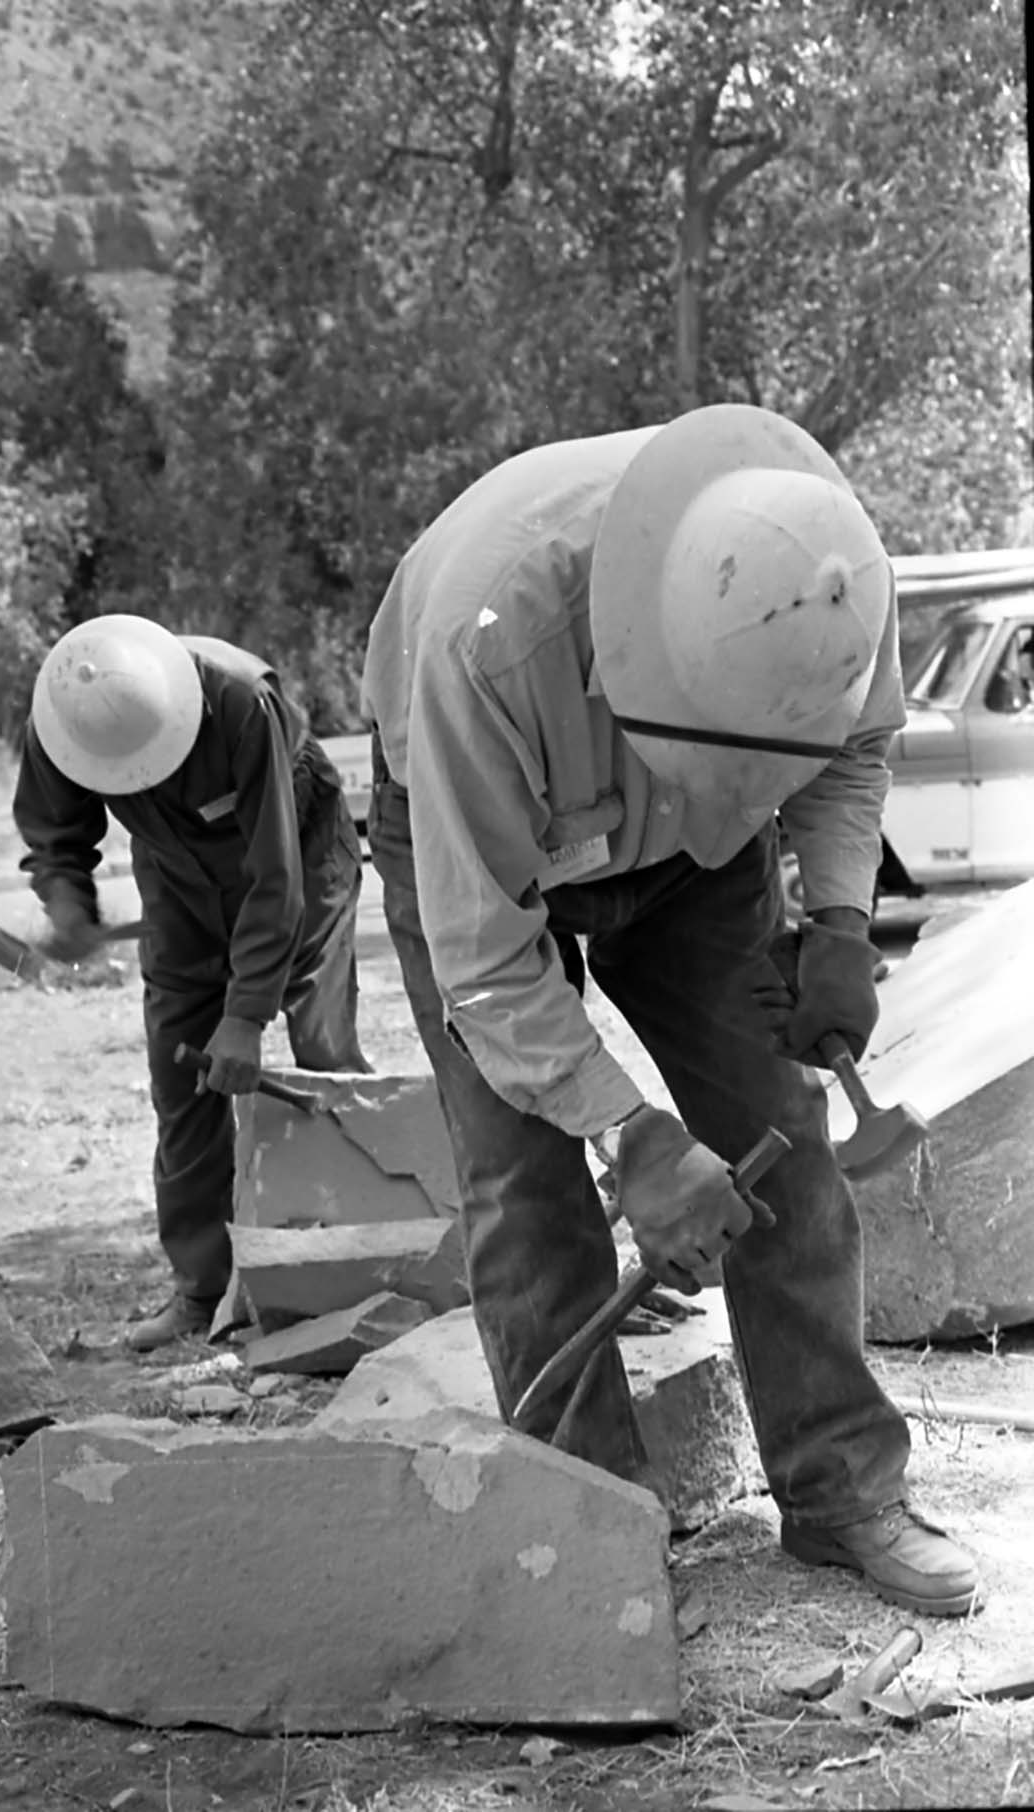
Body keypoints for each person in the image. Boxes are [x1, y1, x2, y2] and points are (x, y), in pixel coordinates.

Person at [362, 403, 980, 1618]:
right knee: (525, 1196)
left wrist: (844, 926)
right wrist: (633, 1138)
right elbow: (487, 967)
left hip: (698, 875)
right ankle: (588, 1540)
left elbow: (853, 749)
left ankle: (841, 1486)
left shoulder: (825, 571)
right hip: (484, 844)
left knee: (782, 1141)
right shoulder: (485, 647)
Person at [14, 615, 371, 1351]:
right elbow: (55, 832)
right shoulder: (65, 715)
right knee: (182, 1083)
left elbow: (278, 879)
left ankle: (363, 1261)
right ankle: (203, 1289)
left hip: (300, 857)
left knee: (321, 1054)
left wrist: (245, 1016)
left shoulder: (241, 702)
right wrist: (67, 900)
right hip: (176, 883)